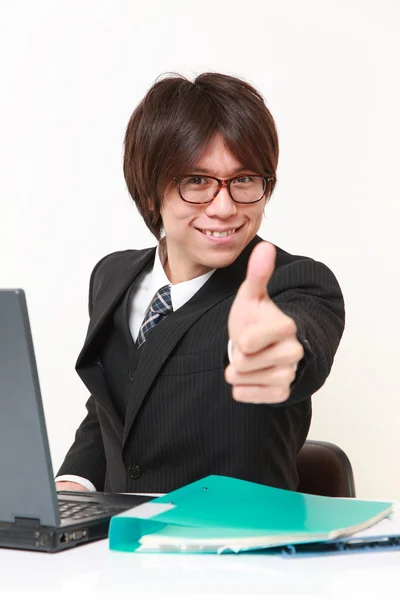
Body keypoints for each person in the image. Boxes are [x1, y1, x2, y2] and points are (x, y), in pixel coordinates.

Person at [55, 72, 345, 494]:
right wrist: (74, 484)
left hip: (236, 547)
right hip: (118, 549)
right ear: (152, 192)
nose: (224, 207)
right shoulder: (111, 277)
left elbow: (301, 345)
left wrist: (272, 352)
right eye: (196, 181)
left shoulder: (295, 284)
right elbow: (116, 405)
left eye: (244, 179)